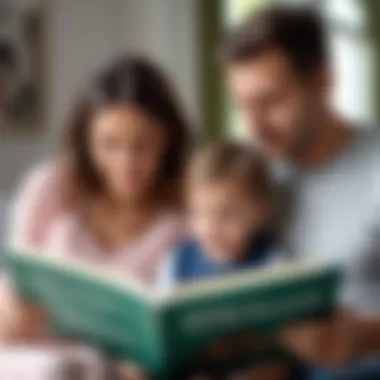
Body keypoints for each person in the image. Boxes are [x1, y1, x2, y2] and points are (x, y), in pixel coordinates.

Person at [1, 55, 191, 378]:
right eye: (109, 144)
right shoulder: (51, 186)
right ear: (85, 141)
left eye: (143, 145)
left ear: (168, 139)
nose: (126, 163)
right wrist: (10, 313)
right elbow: (12, 284)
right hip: (38, 362)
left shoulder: (188, 208)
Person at [222, 4, 380, 380]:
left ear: (324, 82)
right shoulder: (254, 181)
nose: (254, 125)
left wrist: (365, 336)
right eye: (242, 105)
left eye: (271, 101)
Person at [158, 141, 297, 380]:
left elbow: (287, 346)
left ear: (261, 211)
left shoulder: (275, 265)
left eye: (228, 215)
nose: (211, 229)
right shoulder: (178, 262)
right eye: (200, 214)